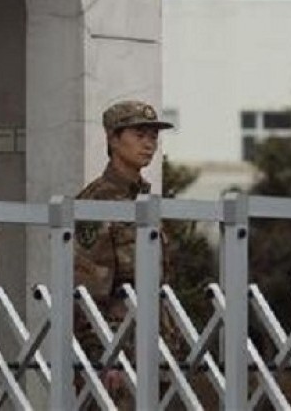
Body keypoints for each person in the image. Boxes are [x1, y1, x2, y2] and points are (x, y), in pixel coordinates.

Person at [74, 100, 173, 398]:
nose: (149, 144)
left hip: (154, 348)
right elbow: (86, 288)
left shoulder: (144, 203)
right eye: (139, 134)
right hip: (115, 356)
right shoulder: (96, 202)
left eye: (153, 136)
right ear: (113, 139)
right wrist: (102, 357)